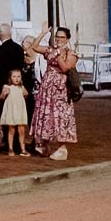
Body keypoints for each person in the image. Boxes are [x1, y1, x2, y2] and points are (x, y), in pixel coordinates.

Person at [26, 24, 79, 159]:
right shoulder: (50, 49)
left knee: (60, 115)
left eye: (62, 37)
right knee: (46, 113)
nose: (59, 39)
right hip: (47, 86)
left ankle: (62, 147)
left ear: (67, 39)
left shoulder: (71, 53)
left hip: (60, 89)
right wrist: (43, 33)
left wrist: (58, 54)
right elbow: (34, 47)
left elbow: (65, 68)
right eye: (57, 37)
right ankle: (44, 143)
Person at [0, 21, 27, 152]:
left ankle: (10, 145)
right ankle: (18, 144)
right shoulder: (18, 48)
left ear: (0, 34)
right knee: (17, 116)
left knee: (7, 116)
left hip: (5, 86)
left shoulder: (1, 51)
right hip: (16, 87)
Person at [0, 68, 31, 155]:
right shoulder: (7, 87)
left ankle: (23, 149)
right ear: (10, 78)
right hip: (12, 111)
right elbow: (1, 98)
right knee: (11, 130)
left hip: (19, 111)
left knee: (21, 130)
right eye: (14, 76)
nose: (16, 79)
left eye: (18, 76)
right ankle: (10, 148)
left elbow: (26, 94)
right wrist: (3, 93)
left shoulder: (22, 87)